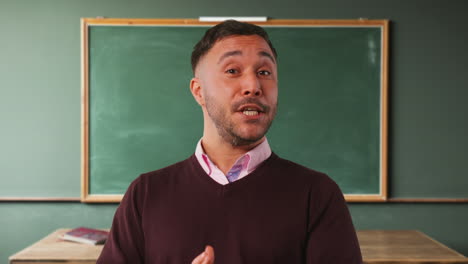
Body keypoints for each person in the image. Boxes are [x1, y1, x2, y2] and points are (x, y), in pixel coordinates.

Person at [97, 20, 362, 264]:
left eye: (265, 72)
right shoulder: (145, 194)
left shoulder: (317, 195)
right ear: (199, 91)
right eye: (233, 70)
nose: (253, 85)